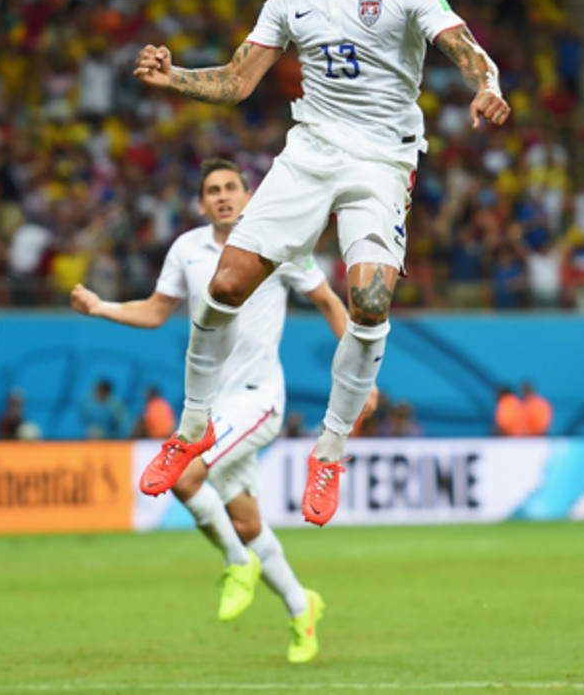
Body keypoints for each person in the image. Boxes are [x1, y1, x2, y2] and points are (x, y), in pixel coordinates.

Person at [130, 0, 509, 526]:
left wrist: (488, 84)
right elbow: (237, 80)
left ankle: (330, 448)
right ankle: (191, 427)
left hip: (381, 161)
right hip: (309, 153)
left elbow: (464, 45)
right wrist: (174, 79)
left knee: (369, 297)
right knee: (224, 284)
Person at [71, 159, 372, 663]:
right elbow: (154, 310)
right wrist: (102, 307)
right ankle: (303, 607)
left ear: (249, 195)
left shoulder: (278, 242)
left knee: (186, 476)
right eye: (213, 190)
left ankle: (237, 563)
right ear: (202, 202)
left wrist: (363, 374)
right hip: (213, 404)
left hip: (259, 397)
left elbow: (328, 301)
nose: (224, 196)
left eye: (232, 187)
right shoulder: (187, 249)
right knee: (248, 520)